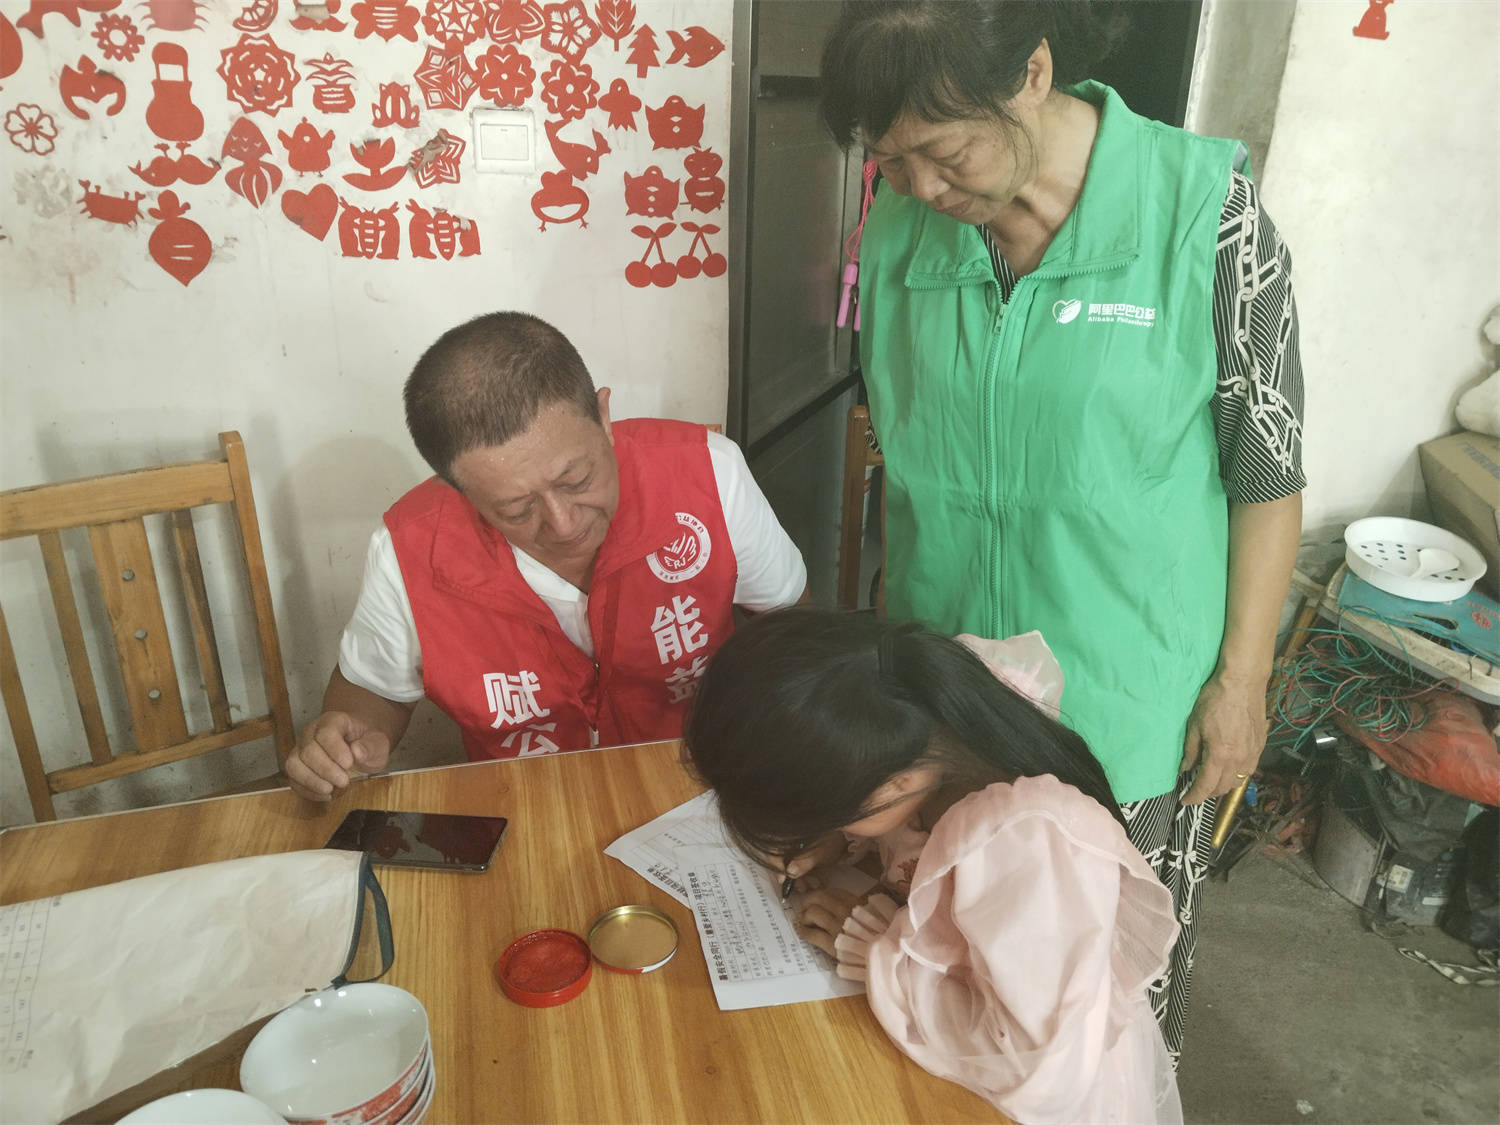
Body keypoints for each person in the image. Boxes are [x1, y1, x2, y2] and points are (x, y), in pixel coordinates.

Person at [819, 0, 1306, 1055]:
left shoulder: (1205, 213)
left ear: (1033, 73)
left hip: (1126, 705)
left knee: (1106, 1011)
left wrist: (1243, 681)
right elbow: (908, 464)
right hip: (951, 695)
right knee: (956, 977)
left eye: (945, 153)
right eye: (889, 160)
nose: (920, 189)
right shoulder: (902, 227)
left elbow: (1266, 472)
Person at [684, 609, 1183, 1125]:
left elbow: (1040, 1071)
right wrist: (841, 839)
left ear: (894, 783)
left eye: (833, 812)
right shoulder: (918, 710)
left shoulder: (1024, 846)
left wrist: (872, 948)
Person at [285, 311, 807, 801]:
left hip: (700, 777)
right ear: (458, 491)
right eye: (516, 509)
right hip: (527, 800)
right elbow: (373, 691)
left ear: (604, 418)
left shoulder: (707, 474)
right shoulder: (410, 549)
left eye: (576, 479)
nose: (563, 524)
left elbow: (788, 624)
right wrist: (345, 742)